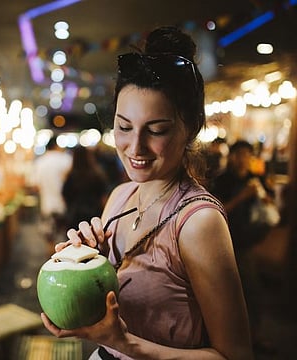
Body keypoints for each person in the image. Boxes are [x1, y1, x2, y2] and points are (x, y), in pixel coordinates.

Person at [41, 26, 253, 359]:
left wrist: (126, 344)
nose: (135, 147)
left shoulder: (198, 223)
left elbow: (235, 355)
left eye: (156, 130)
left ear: (192, 126)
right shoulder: (120, 197)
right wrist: (86, 263)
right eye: (124, 126)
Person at [210, 140, 276, 354]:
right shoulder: (222, 181)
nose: (243, 159)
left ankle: (253, 336)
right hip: (224, 244)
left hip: (248, 245)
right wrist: (241, 197)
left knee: (251, 292)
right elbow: (215, 213)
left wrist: (265, 194)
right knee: (226, 293)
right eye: (239, 154)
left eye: (247, 155)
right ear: (232, 156)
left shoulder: (254, 179)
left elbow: (269, 207)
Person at [32, 136, 72, 251]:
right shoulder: (66, 159)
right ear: (57, 146)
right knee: (68, 240)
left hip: (47, 205)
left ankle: (51, 263)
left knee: (50, 239)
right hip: (65, 206)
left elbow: (35, 186)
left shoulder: (40, 162)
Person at [62, 146, 110, 230]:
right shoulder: (97, 175)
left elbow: (65, 195)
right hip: (94, 213)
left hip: (75, 214)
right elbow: (103, 196)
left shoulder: (71, 176)